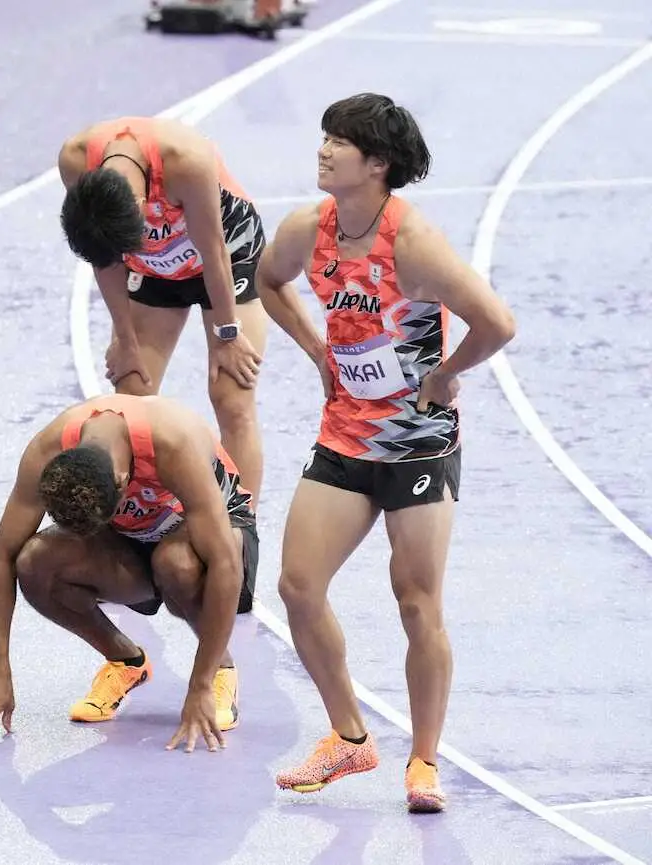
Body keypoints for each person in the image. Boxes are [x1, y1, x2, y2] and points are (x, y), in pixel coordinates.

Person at [253, 93, 516, 812]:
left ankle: (424, 761)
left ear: (378, 164)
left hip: (416, 445)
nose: (324, 149)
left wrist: (444, 373)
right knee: (298, 588)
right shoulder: (308, 229)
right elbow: (266, 280)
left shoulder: (413, 243)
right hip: (343, 436)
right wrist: (314, 348)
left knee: (415, 603)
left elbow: (496, 322)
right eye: (325, 136)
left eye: (342, 142)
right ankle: (347, 737)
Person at [0, 393, 259, 754]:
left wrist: (201, 685)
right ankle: (127, 661)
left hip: (212, 534)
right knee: (35, 562)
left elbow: (225, 564)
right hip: (132, 537)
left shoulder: (172, 444)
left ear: (122, 479)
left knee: (175, 562)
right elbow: (1, 558)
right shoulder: (47, 453)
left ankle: (220, 668)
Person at [58, 116, 270, 568]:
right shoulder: (76, 161)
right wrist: (124, 337)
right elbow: (105, 256)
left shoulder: (186, 160)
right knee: (131, 395)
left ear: (141, 203)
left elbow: (212, 251)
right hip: (155, 266)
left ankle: (236, 542)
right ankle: (138, 536)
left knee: (231, 396)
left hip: (224, 255)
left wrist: (226, 335)